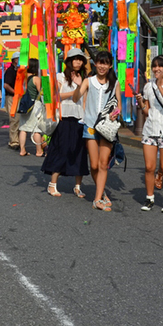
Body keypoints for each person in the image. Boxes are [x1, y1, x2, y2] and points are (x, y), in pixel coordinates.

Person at [73, 50, 122, 211]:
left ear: (110, 65)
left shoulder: (115, 83)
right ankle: (101, 194)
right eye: (100, 63)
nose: (102, 66)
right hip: (90, 126)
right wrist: (78, 84)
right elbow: (75, 98)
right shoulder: (89, 81)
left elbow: (119, 106)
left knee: (103, 164)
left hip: (106, 128)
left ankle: (97, 199)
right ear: (95, 64)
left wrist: (115, 114)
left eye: (105, 63)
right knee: (94, 165)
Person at [135, 55, 163, 213]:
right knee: (149, 167)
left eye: (160, 66)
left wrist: (160, 86)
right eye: (154, 66)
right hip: (150, 129)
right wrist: (141, 102)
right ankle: (149, 198)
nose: (156, 69)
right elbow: (147, 111)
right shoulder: (148, 86)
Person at [41, 48, 89, 197]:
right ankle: (52, 184)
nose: (78, 62)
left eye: (80, 59)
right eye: (75, 59)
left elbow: (84, 100)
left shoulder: (84, 78)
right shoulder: (60, 77)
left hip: (80, 118)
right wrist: (78, 88)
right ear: (68, 61)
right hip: (64, 118)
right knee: (60, 150)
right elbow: (55, 96)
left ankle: (77, 186)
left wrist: (86, 116)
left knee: (79, 152)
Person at [17, 59, 45, 157]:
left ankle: (22, 150)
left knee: (23, 128)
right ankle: (39, 151)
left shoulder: (23, 77)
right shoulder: (36, 79)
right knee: (36, 129)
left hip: (24, 104)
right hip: (34, 105)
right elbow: (41, 92)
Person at [3, 55, 21, 150]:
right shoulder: (10, 71)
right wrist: (15, 92)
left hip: (19, 97)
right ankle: (13, 141)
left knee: (20, 119)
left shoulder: (20, 71)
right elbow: (6, 85)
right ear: (14, 60)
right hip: (12, 97)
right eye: (19, 58)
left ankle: (18, 140)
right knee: (14, 119)